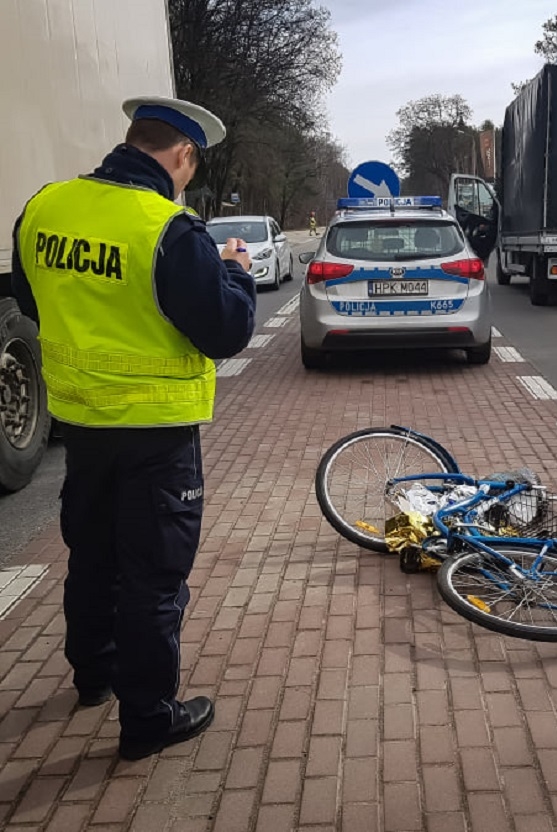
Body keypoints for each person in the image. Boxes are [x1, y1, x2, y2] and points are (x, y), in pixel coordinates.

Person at [11, 96, 257, 761]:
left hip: (82, 426)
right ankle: (148, 718)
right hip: (156, 432)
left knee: (92, 558)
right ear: (183, 156)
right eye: (191, 168)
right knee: (152, 580)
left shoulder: (43, 207)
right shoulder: (168, 228)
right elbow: (225, 331)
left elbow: (35, 299)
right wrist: (234, 270)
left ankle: (93, 676)